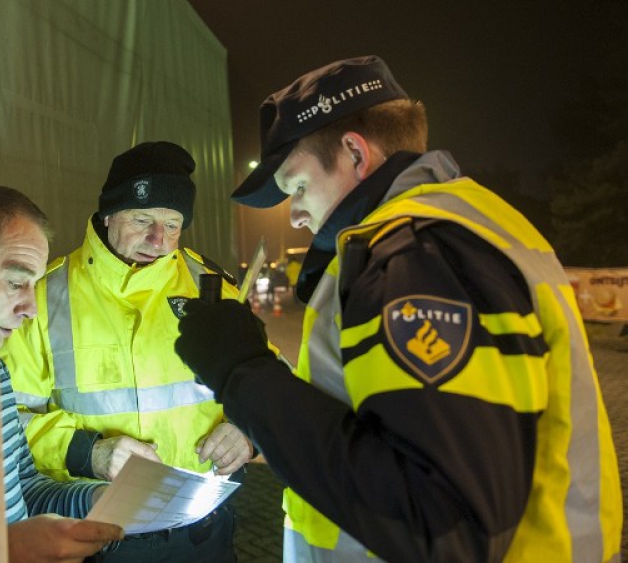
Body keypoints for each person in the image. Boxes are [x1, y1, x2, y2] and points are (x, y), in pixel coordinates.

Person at [174, 56, 622, 562]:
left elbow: (444, 522)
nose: (295, 215)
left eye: (297, 187)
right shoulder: (466, 223)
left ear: (353, 153)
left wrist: (242, 372)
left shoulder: (411, 254)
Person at [1, 142, 253, 562]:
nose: (158, 240)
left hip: (203, 533)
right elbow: (10, 419)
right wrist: (91, 452)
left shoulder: (211, 287)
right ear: (108, 215)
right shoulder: (44, 297)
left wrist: (247, 431)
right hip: (100, 536)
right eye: (142, 219)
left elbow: (270, 380)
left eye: (173, 225)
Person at [0, 185, 124, 563]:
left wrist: (99, 500)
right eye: (16, 282)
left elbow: (25, 488)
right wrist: (8, 551)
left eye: (35, 285)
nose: (30, 308)